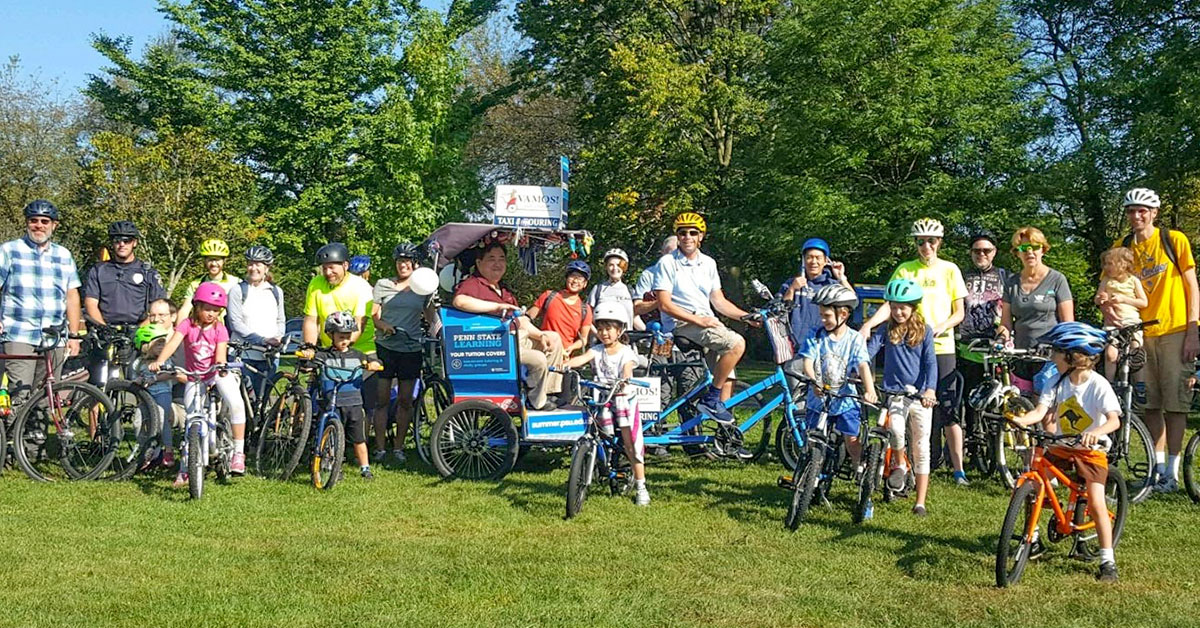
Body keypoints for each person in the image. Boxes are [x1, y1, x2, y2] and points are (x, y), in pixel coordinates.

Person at [1008, 322, 1121, 582]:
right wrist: (1021, 420)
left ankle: (1107, 560)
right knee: (1034, 486)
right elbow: (1040, 411)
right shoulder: (1056, 381)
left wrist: (1098, 431)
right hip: (1061, 445)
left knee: (1095, 500)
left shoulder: (1098, 385)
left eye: (1056, 352)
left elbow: (1115, 420)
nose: (1052, 357)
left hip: (1089, 452)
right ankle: (1032, 538)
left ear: (1074, 357)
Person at [861, 218, 968, 484]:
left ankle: (958, 469)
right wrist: (870, 324)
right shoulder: (905, 269)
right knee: (908, 405)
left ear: (939, 243)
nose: (926, 246)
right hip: (908, 345)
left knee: (946, 408)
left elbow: (959, 312)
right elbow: (891, 304)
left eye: (931, 241)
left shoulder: (950, 269)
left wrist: (941, 327)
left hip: (941, 346)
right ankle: (915, 462)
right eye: (921, 242)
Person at [1115, 187, 1199, 492]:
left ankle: (1173, 474)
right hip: (1138, 333)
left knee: (1176, 403)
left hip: (1174, 329)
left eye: (1143, 211)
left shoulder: (1173, 240)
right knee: (1148, 402)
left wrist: (1193, 330)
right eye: (1131, 211)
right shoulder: (1122, 247)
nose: (1136, 216)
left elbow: (1192, 285)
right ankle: (1156, 468)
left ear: (1154, 213)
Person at [652, 212, 757, 424]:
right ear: (678, 236)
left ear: (701, 236)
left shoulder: (708, 263)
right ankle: (711, 400)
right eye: (682, 233)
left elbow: (718, 301)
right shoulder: (667, 262)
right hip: (682, 324)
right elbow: (664, 304)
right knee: (736, 344)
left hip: (707, 322)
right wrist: (698, 320)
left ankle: (724, 434)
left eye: (693, 232)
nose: (687, 237)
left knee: (727, 377)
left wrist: (745, 316)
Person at [149, 282, 248, 483]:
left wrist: (220, 367)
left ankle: (238, 452)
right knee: (191, 420)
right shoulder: (187, 325)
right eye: (207, 309)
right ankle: (186, 468)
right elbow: (173, 343)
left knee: (236, 403)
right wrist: (160, 361)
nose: (211, 314)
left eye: (216, 310)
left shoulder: (220, 329)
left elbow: (220, 354)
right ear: (197, 307)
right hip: (194, 376)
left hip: (215, 373)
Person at [562, 302, 650, 506]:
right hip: (603, 400)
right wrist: (564, 364)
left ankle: (641, 486)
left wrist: (625, 379)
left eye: (609, 328)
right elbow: (582, 359)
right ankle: (598, 466)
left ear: (619, 330)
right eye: (600, 328)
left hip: (623, 400)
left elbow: (627, 369)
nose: (604, 333)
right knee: (601, 435)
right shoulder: (597, 350)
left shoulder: (626, 352)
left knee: (631, 444)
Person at [451, 240, 556, 411]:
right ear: (479, 263)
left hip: (516, 339)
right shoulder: (473, 284)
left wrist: (541, 336)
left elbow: (520, 321)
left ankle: (547, 393)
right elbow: (460, 301)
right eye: (491, 259)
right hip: (495, 347)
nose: (497, 264)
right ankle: (536, 401)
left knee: (553, 338)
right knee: (538, 359)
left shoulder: (504, 290)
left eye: (501, 259)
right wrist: (497, 307)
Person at [0, 200, 84, 405]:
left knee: (47, 392)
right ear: (27, 223)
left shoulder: (63, 255)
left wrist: (73, 335)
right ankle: (13, 435)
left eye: (45, 221)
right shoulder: (9, 250)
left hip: (53, 335)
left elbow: (72, 295)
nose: (39, 225)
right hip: (18, 331)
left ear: (54, 225)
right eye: (34, 220)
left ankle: (36, 437)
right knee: (21, 391)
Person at [866, 279, 937, 516]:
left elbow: (930, 363)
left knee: (921, 445)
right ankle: (900, 464)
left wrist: (930, 390)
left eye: (903, 307)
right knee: (895, 430)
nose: (898, 312)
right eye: (894, 307)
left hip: (919, 396)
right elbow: (868, 352)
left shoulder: (925, 331)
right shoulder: (886, 329)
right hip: (894, 392)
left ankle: (920, 502)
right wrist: (860, 369)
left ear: (914, 307)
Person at [303, 242, 379, 439]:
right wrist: (310, 348)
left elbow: (359, 324)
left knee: (360, 403)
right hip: (329, 350)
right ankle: (329, 443)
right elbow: (312, 320)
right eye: (324, 268)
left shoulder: (360, 287)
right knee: (330, 400)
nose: (328, 272)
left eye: (332, 267)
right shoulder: (316, 284)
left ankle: (360, 443)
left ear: (345, 265)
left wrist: (343, 347)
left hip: (360, 347)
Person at [801, 284, 878, 468]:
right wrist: (815, 381)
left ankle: (858, 465)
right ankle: (809, 472)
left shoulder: (854, 339)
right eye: (821, 315)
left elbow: (862, 365)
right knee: (812, 437)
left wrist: (870, 390)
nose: (823, 319)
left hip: (845, 400)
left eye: (826, 316)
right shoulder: (816, 335)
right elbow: (807, 363)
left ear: (843, 314)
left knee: (851, 439)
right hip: (818, 400)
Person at [299, 311, 381, 481]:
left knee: (359, 439)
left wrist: (374, 364)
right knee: (330, 436)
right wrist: (307, 356)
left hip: (354, 403)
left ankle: (365, 467)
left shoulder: (358, 356)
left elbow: (376, 362)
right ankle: (331, 464)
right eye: (340, 336)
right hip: (332, 403)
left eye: (347, 336)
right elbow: (306, 364)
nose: (344, 340)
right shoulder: (324, 355)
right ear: (331, 335)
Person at [372, 242, 432, 463]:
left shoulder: (422, 288)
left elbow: (430, 315)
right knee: (382, 399)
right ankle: (379, 447)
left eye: (407, 261)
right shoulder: (383, 285)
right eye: (399, 261)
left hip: (411, 346)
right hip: (387, 346)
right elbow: (374, 316)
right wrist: (385, 325)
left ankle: (398, 447)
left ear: (415, 264)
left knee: (406, 400)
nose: (403, 265)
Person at [1000, 226, 1075, 352]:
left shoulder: (1057, 279)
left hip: (1051, 355)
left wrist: (1056, 345)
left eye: (1034, 247)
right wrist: (1000, 340)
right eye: (1024, 248)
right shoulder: (1011, 282)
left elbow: (1068, 324)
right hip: (1020, 354)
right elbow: (1006, 324)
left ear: (1043, 250)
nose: (1029, 252)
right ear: (1017, 253)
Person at [226, 245, 286, 399]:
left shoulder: (275, 291)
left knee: (262, 400)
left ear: (266, 268)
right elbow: (236, 323)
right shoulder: (238, 290)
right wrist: (262, 339)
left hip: (268, 356)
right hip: (243, 354)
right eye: (250, 263)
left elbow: (280, 319)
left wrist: (279, 337)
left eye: (258, 264)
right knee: (243, 401)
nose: (254, 268)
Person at [84, 221, 167, 326]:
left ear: (134, 243)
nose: (121, 244)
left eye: (126, 241)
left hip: (140, 329)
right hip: (105, 329)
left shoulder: (148, 272)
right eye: (117, 240)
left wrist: (140, 330)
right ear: (112, 243)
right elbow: (90, 302)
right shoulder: (98, 270)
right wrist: (103, 328)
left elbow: (160, 306)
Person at [777, 237, 852, 349]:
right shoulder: (791, 283)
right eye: (809, 258)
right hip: (797, 347)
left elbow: (853, 301)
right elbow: (780, 311)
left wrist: (842, 278)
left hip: (826, 347)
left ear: (825, 260)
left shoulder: (832, 285)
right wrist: (792, 289)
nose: (814, 262)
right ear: (803, 260)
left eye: (818, 258)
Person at [133, 322, 181, 467]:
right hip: (145, 397)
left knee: (162, 421)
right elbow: (136, 377)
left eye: (163, 344)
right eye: (158, 344)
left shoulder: (166, 361)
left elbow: (170, 374)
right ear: (147, 346)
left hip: (162, 394)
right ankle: (145, 449)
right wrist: (139, 380)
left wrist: (155, 378)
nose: (162, 347)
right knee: (139, 421)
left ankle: (167, 450)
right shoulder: (139, 363)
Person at [1095, 247, 1147, 380]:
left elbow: (1143, 302)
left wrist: (1123, 299)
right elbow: (1097, 299)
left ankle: (1139, 382)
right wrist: (1101, 299)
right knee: (1110, 354)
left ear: (1122, 264)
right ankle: (1110, 382)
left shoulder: (1133, 280)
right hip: (1112, 325)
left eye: (1109, 264)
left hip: (1131, 322)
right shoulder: (1106, 280)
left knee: (1136, 351)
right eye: (1105, 264)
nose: (1106, 267)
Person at [528, 260, 594, 359]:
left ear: (585, 284)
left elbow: (584, 339)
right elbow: (527, 318)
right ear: (566, 278)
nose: (575, 281)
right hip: (542, 353)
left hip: (564, 358)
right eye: (572, 276)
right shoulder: (549, 296)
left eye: (580, 278)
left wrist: (571, 348)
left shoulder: (585, 309)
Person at [177, 239, 240, 324]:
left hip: (228, 331)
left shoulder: (236, 282)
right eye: (210, 260)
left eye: (217, 260)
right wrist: (179, 332)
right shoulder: (196, 284)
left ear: (224, 261)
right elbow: (185, 310)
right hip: (202, 331)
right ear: (205, 261)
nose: (214, 264)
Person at [588, 248, 642, 331]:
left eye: (618, 265)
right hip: (601, 340)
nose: (615, 268)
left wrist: (649, 332)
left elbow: (633, 317)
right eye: (611, 265)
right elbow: (588, 317)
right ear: (606, 267)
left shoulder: (630, 290)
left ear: (624, 267)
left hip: (625, 340)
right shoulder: (598, 289)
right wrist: (597, 335)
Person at [633, 236, 677, 328]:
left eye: (677, 253)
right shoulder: (648, 275)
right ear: (662, 253)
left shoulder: (692, 273)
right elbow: (637, 308)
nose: (674, 257)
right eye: (670, 253)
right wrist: (662, 301)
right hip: (658, 326)